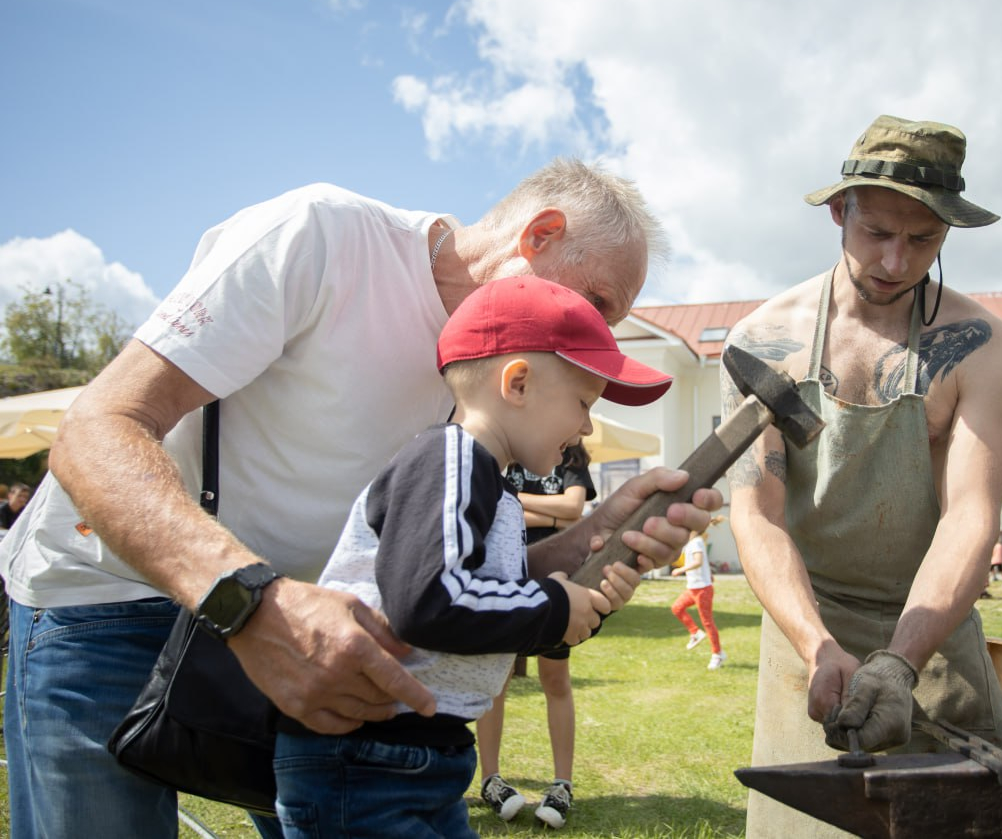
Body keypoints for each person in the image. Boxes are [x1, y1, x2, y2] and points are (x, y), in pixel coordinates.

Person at [0, 159, 722, 839]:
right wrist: (250, 603)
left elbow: (438, 572)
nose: (595, 335)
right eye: (596, 302)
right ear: (540, 236)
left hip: (281, 622)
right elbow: (97, 428)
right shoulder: (320, 236)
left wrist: (593, 540)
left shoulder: (501, 380)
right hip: (107, 595)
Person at [272, 276, 670, 836]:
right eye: (583, 403)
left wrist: (580, 601)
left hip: (413, 757)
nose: (585, 426)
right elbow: (430, 600)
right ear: (519, 383)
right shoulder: (450, 459)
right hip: (367, 760)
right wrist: (554, 607)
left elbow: (488, 601)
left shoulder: (492, 485)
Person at [723, 115, 1002, 837]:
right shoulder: (762, 344)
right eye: (877, 232)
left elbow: (970, 516)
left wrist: (901, 660)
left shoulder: (983, 348)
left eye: (923, 239)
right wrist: (815, 644)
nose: (895, 261)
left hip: (932, 627)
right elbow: (756, 514)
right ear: (840, 211)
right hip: (808, 628)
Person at [477, 443, 596, 828]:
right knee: (498, 680)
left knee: (556, 679)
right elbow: (495, 509)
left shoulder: (573, 459)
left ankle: (563, 783)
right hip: (506, 581)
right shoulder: (505, 453)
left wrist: (516, 505)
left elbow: (574, 509)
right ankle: (490, 780)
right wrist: (553, 511)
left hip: (555, 586)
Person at [671, 514, 728, 669]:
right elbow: (701, 562)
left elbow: (698, 561)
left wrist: (680, 570)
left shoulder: (696, 542)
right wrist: (708, 573)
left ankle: (717, 654)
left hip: (702, 590)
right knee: (677, 608)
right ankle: (695, 633)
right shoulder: (692, 543)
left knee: (708, 622)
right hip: (693, 588)